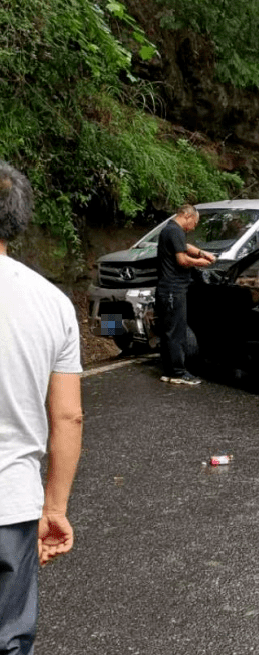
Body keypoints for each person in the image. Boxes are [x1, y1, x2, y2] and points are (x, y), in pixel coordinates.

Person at [0, 160, 84, 654]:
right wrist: (53, 505)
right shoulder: (52, 303)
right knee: (10, 637)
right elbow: (68, 416)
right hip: (12, 505)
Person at [155, 204, 215, 385]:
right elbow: (181, 260)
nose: (194, 227)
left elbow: (184, 246)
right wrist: (200, 262)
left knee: (168, 331)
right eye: (194, 223)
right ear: (187, 216)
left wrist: (201, 252)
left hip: (167, 289)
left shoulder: (171, 230)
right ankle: (178, 373)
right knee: (176, 332)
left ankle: (169, 370)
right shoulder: (175, 231)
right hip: (173, 289)